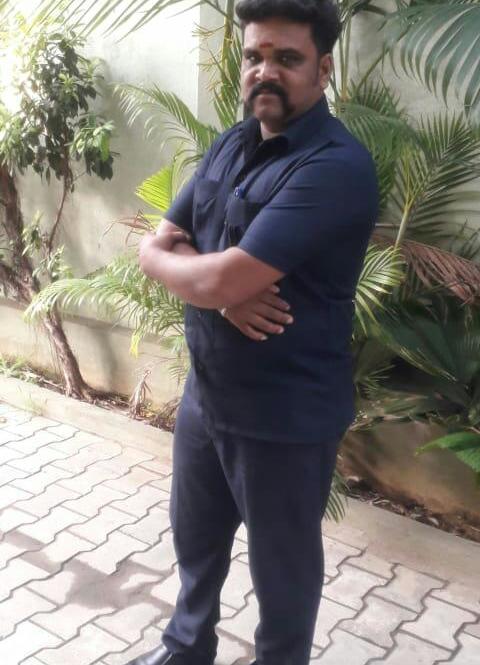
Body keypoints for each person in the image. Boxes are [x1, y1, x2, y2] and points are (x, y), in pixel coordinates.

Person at [129, 1, 378, 663]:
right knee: (195, 542)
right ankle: (186, 649)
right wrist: (214, 293)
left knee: (282, 576)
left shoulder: (335, 167)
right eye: (254, 56)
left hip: (285, 417)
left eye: (287, 58)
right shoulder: (230, 144)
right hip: (207, 397)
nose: (265, 71)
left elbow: (213, 273)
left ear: (323, 69)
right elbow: (168, 240)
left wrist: (206, 280)